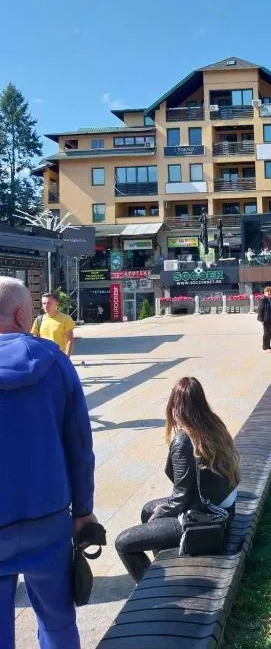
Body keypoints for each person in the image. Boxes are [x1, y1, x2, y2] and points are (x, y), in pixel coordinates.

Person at [0, 277, 96, 649]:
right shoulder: (54, 362)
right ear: (22, 315)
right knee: (58, 623)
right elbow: (80, 445)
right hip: (49, 516)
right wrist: (83, 511)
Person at [115, 377, 239, 581]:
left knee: (123, 543)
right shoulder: (213, 424)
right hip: (223, 509)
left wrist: (161, 513)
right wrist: (160, 511)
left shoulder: (184, 440)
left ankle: (151, 588)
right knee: (147, 509)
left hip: (207, 520)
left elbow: (180, 497)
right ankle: (162, 566)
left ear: (174, 406)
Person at [31, 291, 75, 357]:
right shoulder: (38, 320)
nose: (46, 306)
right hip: (44, 356)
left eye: (49, 303)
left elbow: (70, 340)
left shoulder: (66, 319)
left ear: (56, 303)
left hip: (59, 356)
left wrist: (67, 358)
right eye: (44, 303)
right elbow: (35, 339)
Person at [256, 286, 271, 352]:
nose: (269, 293)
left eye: (270, 292)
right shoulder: (263, 299)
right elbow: (260, 309)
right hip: (266, 319)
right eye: (267, 292)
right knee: (266, 333)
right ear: (265, 292)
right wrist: (261, 320)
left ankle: (268, 346)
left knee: (270, 332)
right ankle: (264, 347)